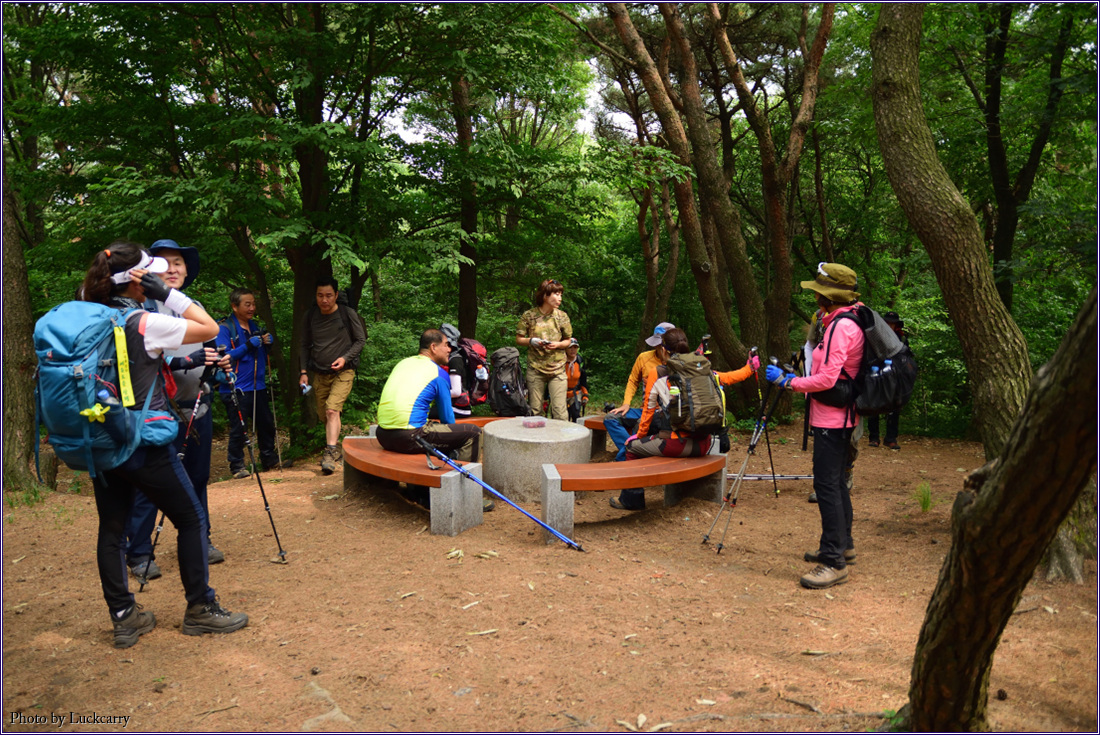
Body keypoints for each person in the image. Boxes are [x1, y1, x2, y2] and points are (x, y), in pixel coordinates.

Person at [78, 241, 247, 648]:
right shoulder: (144, 322)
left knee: (111, 530)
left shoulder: (87, 316)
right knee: (191, 519)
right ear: (138, 282)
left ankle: (124, 617)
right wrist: (167, 294)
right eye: (150, 273)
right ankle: (200, 607)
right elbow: (209, 328)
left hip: (101, 437)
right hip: (142, 442)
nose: (158, 276)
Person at [125, 239, 229, 581]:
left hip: (197, 406)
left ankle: (201, 539)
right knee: (150, 484)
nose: (172, 269)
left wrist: (217, 363)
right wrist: (185, 361)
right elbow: (138, 362)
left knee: (198, 478)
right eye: (164, 263)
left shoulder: (193, 307)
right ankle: (139, 552)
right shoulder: (141, 309)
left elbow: (208, 345)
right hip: (158, 413)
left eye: (179, 263)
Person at [767, 262, 866, 590]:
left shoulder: (841, 327)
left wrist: (789, 382)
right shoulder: (841, 320)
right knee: (835, 484)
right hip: (838, 416)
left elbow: (827, 379)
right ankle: (841, 546)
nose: (815, 297)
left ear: (830, 296)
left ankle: (834, 562)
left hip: (833, 419)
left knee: (827, 486)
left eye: (818, 292)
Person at [611, 328, 757, 510]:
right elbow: (728, 378)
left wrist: (638, 436)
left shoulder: (658, 372)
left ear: (664, 349)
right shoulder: (700, 369)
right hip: (704, 443)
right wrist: (750, 367)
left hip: (678, 445)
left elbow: (648, 411)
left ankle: (631, 501)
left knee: (632, 448)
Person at [375, 329, 493, 511]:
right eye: (446, 345)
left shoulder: (403, 363)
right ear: (433, 347)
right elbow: (448, 419)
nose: (449, 349)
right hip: (409, 435)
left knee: (434, 430)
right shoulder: (438, 373)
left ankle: (419, 490)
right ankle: (464, 496)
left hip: (383, 434)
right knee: (473, 433)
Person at [299, 277, 367, 475]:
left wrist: (345, 359)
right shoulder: (311, 316)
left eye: (329, 295)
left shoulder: (347, 314)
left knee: (331, 410)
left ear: (336, 295)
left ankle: (329, 453)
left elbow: (360, 340)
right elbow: (304, 345)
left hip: (343, 372)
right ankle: (334, 447)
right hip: (319, 373)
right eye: (320, 295)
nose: (324, 300)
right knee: (324, 415)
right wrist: (303, 372)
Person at [216, 288, 283, 479]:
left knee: (266, 424)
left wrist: (267, 344)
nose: (252, 308)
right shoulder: (224, 328)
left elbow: (259, 355)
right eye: (247, 304)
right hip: (236, 387)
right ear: (234, 306)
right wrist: (248, 345)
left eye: (253, 304)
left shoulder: (253, 326)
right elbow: (224, 357)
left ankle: (269, 459)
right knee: (239, 427)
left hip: (258, 386)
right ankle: (237, 465)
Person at [604, 323, 675, 461]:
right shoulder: (644, 358)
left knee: (639, 424)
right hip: (645, 410)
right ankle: (632, 452)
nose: (658, 347)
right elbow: (633, 381)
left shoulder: (679, 362)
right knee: (610, 418)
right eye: (656, 344)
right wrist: (626, 403)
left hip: (666, 414)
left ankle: (623, 459)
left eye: (661, 344)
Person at [515, 279, 573, 420]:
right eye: (556, 294)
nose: (560, 298)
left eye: (561, 295)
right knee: (535, 411)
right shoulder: (529, 315)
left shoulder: (562, 316)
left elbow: (568, 340)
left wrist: (557, 345)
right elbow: (519, 339)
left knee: (560, 412)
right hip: (535, 369)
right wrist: (531, 341)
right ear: (545, 296)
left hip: (557, 369)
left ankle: (560, 435)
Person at [866, 311, 907, 450]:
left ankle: (891, 438)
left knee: (894, 407)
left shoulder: (901, 339)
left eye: (892, 323)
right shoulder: (876, 337)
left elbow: (905, 358)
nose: (890, 326)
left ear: (896, 325)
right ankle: (874, 437)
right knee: (874, 405)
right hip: (877, 374)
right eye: (887, 323)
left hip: (895, 377)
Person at [564, 340, 588, 422]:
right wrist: (547, 397)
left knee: (575, 415)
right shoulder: (560, 362)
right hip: (561, 393)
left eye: (575, 347)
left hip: (575, 393)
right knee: (562, 417)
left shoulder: (580, 362)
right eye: (570, 347)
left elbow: (583, 380)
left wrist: (585, 395)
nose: (573, 350)